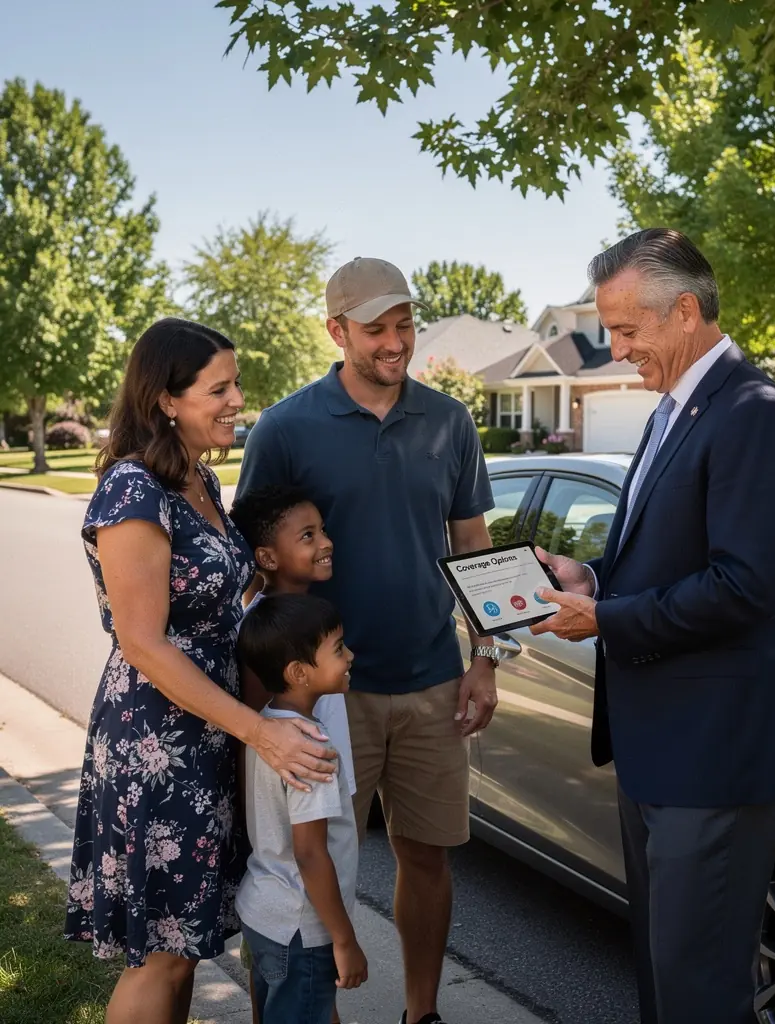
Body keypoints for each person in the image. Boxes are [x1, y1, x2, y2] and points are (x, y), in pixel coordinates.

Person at [530, 229, 775, 1024]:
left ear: (685, 310)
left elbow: (745, 588)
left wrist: (609, 619)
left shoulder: (754, 414)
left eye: (627, 330)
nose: (617, 349)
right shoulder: (673, 412)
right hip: (661, 753)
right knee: (665, 980)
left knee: (699, 991)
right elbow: (675, 560)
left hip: (714, 760)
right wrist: (590, 580)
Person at [234, 257, 498, 1024]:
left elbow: (475, 548)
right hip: (318, 697)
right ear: (336, 330)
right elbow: (253, 564)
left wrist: (485, 658)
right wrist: (263, 711)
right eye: (376, 328)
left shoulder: (450, 421)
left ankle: (422, 1012)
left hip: (429, 680)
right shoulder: (286, 428)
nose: (395, 342)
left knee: (427, 856)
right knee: (304, 865)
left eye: (405, 324)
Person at [63, 317, 339, 1024]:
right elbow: (144, 644)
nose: (237, 399)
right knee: (160, 954)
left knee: (184, 944)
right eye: (218, 388)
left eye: (235, 383)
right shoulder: (134, 491)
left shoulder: (202, 482)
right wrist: (262, 732)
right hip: (160, 742)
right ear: (166, 400)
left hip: (212, 734)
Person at [230, 484, 355, 1024]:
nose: (325, 542)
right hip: (302, 904)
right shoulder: (302, 742)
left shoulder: (292, 623)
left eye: (323, 529)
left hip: (268, 900)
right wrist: (346, 941)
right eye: (308, 535)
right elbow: (309, 852)